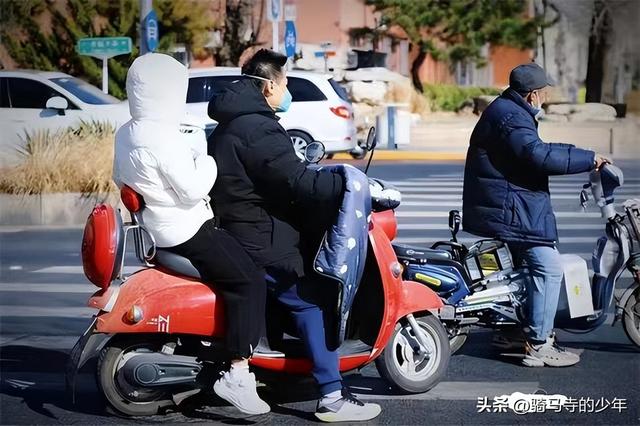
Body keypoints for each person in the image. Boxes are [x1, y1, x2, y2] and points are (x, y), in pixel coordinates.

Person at [207, 48, 381, 422]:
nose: (287, 90)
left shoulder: (231, 121)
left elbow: (276, 176)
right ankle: (332, 396)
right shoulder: (259, 127)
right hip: (259, 232)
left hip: (240, 223)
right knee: (310, 298)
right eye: (285, 83)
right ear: (269, 85)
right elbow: (298, 181)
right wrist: (345, 182)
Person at [112, 53, 269, 415]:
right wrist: (206, 157)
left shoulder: (127, 132)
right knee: (249, 280)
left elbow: (120, 178)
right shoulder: (162, 138)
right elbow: (193, 189)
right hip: (188, 229)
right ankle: (238, 371)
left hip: (158, 228)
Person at [462, 62, 611, 368]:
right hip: (510, 207)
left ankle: (513, 334)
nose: (546, 97)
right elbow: (538, 155)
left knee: (525, 270)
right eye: (544, 93)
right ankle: (539, 345)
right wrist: (588, 158)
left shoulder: (508, 109)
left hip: (508, 201)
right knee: (548, 267)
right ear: (532, 96)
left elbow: (532, 152)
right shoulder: (512, 118)